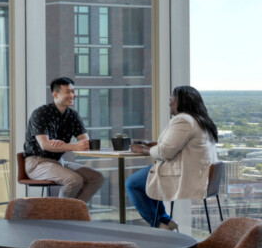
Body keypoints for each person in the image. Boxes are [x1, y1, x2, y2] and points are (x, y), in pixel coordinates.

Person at [125, 86, 220, 230]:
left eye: (171, 99)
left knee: (132, 183)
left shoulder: (183, 120)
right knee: (147, 181)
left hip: (186, 176)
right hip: (201, 176)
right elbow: (184, 146)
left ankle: (159, 225)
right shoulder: (201, 120)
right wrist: (155, 144)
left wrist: (145, 149)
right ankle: (166, 221)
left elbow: (166, 153)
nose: (169, 103)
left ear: (181, 102)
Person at [23, 77, 105, 202]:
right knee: (73, 180)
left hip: (58, 162)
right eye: (68, 92)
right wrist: (72, 146)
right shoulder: (40, 113)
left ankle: (74, 212)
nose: (72, 95)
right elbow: (45, 145)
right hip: (37, 163)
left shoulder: (72, 115)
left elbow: (84, 142)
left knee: (96, 178)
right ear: (55, 94)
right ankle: (59, 214)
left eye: (73, 91)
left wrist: (64, 145)